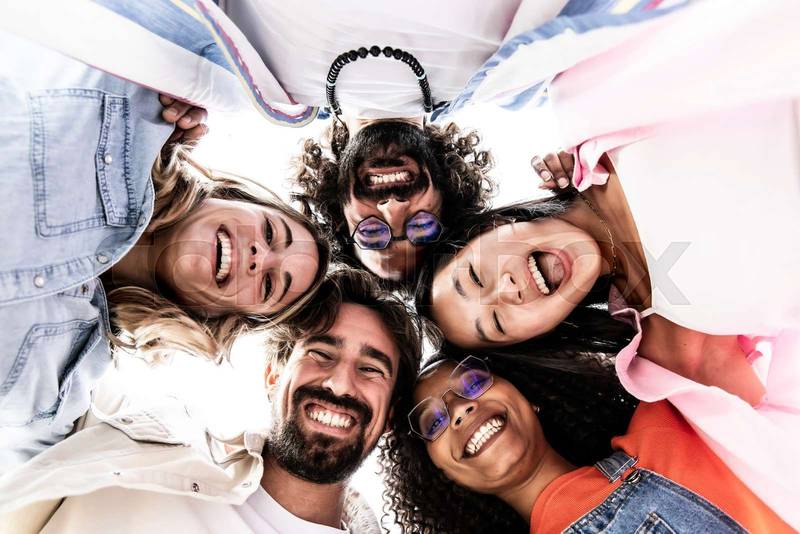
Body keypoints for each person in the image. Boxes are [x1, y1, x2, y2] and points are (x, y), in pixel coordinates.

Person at [0, 32, 329, 470]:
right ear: (232, 194)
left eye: (269, 283)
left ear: (220, 316)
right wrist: (175, 74)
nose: (258, 257)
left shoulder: (73, 381)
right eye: (270, 232)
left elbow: (22, 492)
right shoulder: (132, 114)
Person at [0, 268, 425, 533]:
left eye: (371, 369)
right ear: (273, 375)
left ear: (389, 417)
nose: (339, 383)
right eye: (321, 353)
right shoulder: (141, 435)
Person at [381, 353, 794, 533]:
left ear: (529, 396)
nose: (459, 409)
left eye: (472, 382)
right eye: (433, 421)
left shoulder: (666, 417)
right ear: (448, 478)